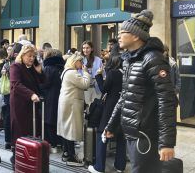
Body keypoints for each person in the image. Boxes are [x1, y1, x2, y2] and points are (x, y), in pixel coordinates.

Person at [104, 10, 177, 173]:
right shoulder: (129, 60)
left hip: (146, 135)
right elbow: (124, 96)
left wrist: (166, 142)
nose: (119, 36)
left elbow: (167, 100)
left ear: (136, 36)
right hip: (132, 132)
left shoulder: (153, 59)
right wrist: (112, 124)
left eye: (123, 32)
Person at [88, 47, 126, 173]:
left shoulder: (113, 73)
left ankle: (99, 167)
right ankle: (120, 166)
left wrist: (98, 76)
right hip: (124, 107)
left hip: (111, 107)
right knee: (121, 135)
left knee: (102, 133)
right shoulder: (126, 73)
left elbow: (104, 89)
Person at [9, 45, 44, 164]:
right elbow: (16, 84)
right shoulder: (16, 66)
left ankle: (28, 155)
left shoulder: (30, 68)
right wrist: (31, 94)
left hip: (31, 105)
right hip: (20, 104)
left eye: (33, 56)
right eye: (29, 56)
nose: (31, 58)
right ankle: (16, 157)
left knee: (30, 129)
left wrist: (39, 70)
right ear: (22, 55)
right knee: (20, 129)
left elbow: (42, 81)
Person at [57, 53, 90, 167]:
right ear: (75, 62)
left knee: (66, 128)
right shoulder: (72, 72)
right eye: (80, 61)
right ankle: (71, 157)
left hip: (67, 102)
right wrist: (86, 72)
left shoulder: (66, 71)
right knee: (70, 129)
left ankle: (66, 153)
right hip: (71, 103)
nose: (82, 64)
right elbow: (85, 84)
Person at [40, 48, 64, 151]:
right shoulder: (61, 68)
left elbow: (44, 83)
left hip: (50, 97)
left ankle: (52, 142)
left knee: (49, 120)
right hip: (59, 96)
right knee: (57, 119)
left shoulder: (48, 68)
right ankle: (59, 142)